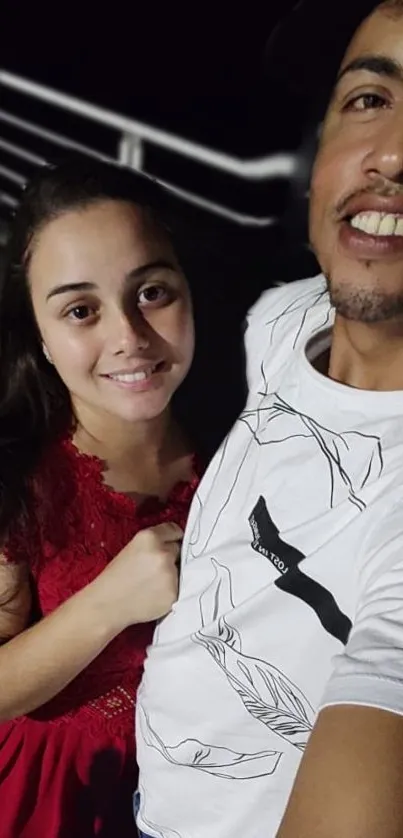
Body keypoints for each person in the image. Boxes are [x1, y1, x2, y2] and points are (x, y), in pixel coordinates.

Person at [135, 2, 403, 836]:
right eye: (368, 99)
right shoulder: (280, 321)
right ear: (316, 158)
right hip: (139, 793)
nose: (392, 153)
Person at [0, 158, 201, 838]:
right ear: (42, 339)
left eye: (151, 293)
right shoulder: (18, 476)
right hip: (50, 806)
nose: (128, 337)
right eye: (81, 310)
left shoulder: (250, 449)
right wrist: (110, 602)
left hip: (209, 798)